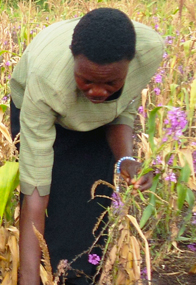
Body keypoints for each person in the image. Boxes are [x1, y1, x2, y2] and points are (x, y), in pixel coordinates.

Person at [9, 8, 162, 284]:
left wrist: (125, 159)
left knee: (88, 213)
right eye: (87, 80)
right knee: (53, 205)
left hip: (85, 113)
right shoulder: (47, 84)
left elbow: (121, 106)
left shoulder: (148, 51)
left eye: (111, 82)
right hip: (43, 111)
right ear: (74, 63)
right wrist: (28, 278)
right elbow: (35, 187)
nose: (98, 92)